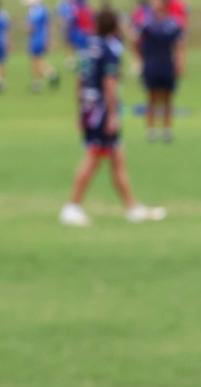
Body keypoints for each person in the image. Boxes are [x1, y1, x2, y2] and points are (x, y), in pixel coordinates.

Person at [60, 7, 165, 226]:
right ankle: (72, 206)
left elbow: (80, 80)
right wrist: (112, 115)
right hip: (102, 111)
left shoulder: (87, 47)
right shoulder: (110, 49)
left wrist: (79, 110)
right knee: (93, 157)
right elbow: (110, 83)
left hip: (89, 107)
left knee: (117, 158)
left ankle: (132, 207)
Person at [137, 0, 183, 143]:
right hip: (151, 64)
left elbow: (178, 45)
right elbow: (137, 42)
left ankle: (166, 129)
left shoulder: (173, 25)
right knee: (152, 97)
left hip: (167, 64)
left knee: (167, 98)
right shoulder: (147, 25)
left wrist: (180, 62)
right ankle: (150, 129)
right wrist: (139, 59)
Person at [26, 0, 57, 91]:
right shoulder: (33, 11)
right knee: (35, 60)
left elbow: (47, 26)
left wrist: (48, 40)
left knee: (37, 60)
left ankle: (50, 74)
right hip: (35, 38)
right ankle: (40, 80)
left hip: (39, 38)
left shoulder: (41, 11)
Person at [0, 1, 10, 93]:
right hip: (2, 42)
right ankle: (2, 81)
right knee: (2, 62)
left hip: (1, 42)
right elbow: (7, 31)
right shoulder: (4, 15)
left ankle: (2, 82)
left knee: (1, 62)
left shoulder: (3, 15)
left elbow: (6, 30)